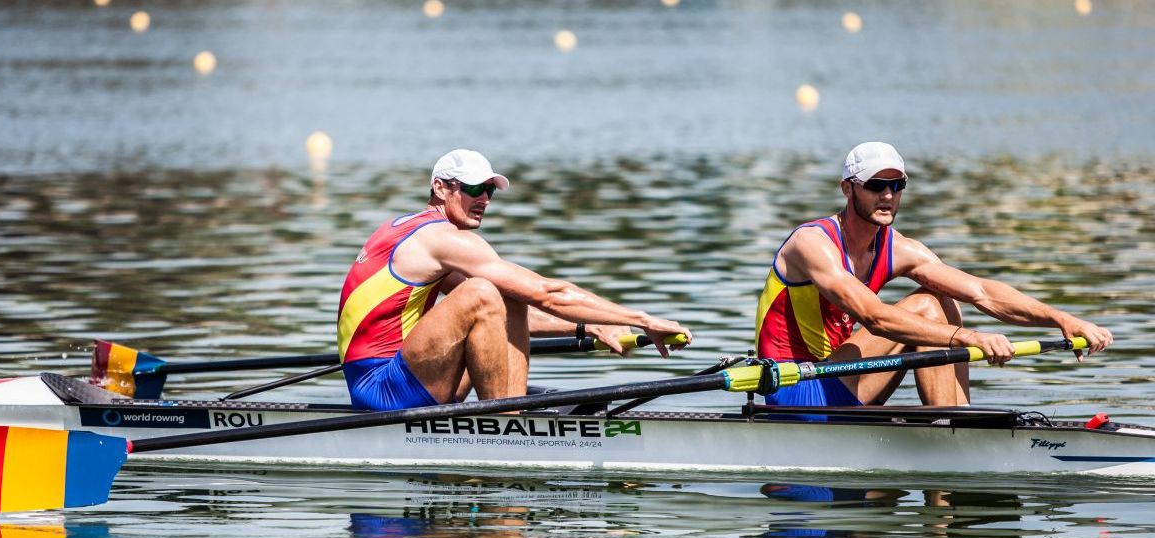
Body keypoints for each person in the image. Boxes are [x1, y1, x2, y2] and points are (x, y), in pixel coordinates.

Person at [754, 141, 1111, 407]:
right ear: (848, 188)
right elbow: (875, 318)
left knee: (942, 296)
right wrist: (969, 338)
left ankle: (956, 419)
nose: (888, 196)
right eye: (877, 185)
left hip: (839, 383)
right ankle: (951, 431)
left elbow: (982, 292)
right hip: (794, 389)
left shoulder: (900, 249)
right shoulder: (812, 243)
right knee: (926, 306)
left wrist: (1060, 318)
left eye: (897, 186)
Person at [337, 149, 691, 411]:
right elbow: (549, 293)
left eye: (490, 191)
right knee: (483, 291)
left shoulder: (408, 230)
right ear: (441, 188)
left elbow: (507, 310)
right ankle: (507, 421)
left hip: (394, 376)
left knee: (505, 293)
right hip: (381, 390)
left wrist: (591, 328)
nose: (484, 200)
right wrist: (642, 319)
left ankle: (510, 412)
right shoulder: (441, 239)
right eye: (474, 189)